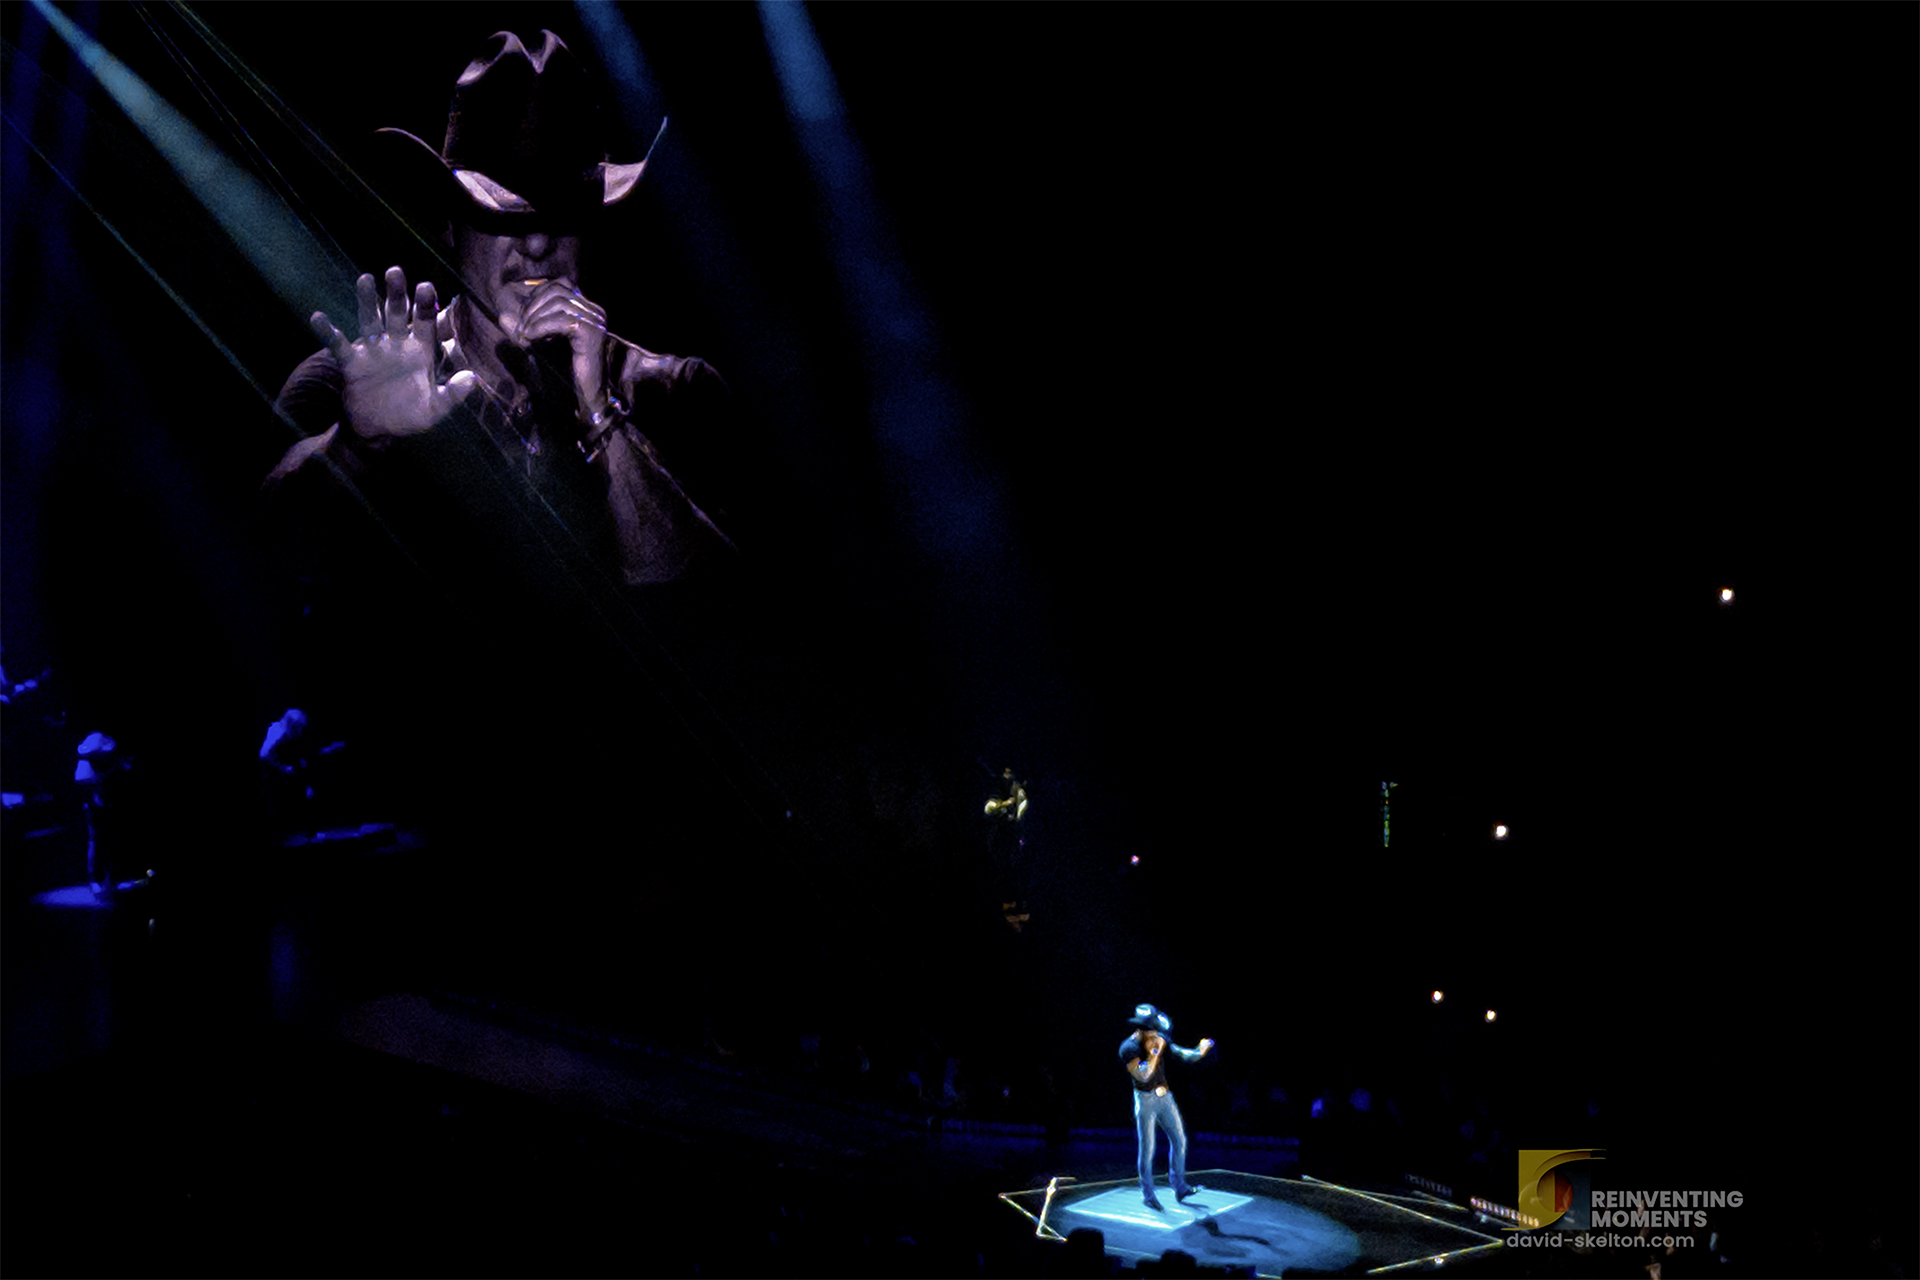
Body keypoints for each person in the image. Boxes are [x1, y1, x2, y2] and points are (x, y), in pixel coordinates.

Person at [257, 30, 742, 841]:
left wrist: (600, 416)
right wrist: (359, 443)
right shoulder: (350, 385)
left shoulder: (670, 390)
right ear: (451, 228)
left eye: (561, 216)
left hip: (642, 874)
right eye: (501, 216)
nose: (538, 245)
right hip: (422, 890)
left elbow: (727, 629)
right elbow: (256, 549)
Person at [1118, 1003, 1214, 1210]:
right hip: (1144, 1100)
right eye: (1152, 1030)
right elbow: (1142, 1076)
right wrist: (1154, 1054)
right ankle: (1148, 1194)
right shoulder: (1128, 1048)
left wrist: (1200, 1051)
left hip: (1165, 1096)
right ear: (1142, 1030)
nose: (1156, 1034)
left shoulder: (1160, 1039)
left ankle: (1179, 1186)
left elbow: (1183, 1054)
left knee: (1180, 1140)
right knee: (1147, 1149)